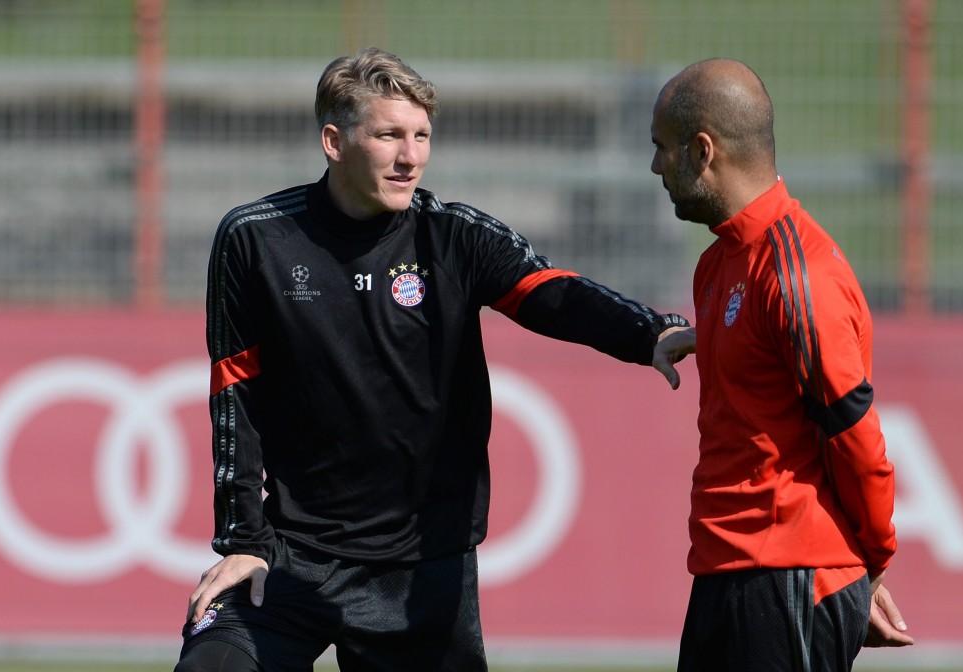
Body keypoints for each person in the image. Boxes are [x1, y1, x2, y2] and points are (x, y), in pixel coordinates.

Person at [174, 47, 690, 672]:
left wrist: (647, 333)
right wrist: (243, 541)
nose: (410, 155)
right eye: (389, 134)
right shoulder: (254, 238)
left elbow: (551, 293)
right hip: (289, 555)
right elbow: (235, 391)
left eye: (421, 136)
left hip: (423, 568)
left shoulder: (454, 236)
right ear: (334, 142)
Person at [649, 58, 915, 671]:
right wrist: (698, 337)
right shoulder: (717, 265)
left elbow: (855, 437)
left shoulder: (797, 273)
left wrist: (870, 566)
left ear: (702, 149)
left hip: (787, 574)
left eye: (662, 148)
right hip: (725, 569)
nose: (656, 167)